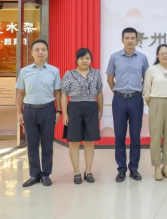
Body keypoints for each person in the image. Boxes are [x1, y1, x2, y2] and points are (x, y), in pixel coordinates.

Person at [15, 39, 62, 188]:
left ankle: (46, 174)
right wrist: (19, 112)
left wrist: (59, 110)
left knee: (47, 145)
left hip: (48, 110)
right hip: (29, 110)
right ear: (32, 53)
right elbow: (20, 93)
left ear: (47, 52)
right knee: (32, 144)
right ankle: (34, 174)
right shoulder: (24, 71)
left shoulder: (54, 71)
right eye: (37, 49)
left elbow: (58, 92)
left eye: (43, 49)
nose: (40, 52)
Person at [106, 27, 149, 182]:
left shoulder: (142, 58)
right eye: (127, 38)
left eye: (132, 38)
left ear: (137, 40)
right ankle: (121, 169)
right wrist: (117, 91)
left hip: (136, 99)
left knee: (135, 136)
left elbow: (146, 78)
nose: (130, 41)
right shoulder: (114, 57)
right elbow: (110, 79)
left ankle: (134, 168)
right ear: (122, 40)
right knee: (119, 136)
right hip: (119, 99)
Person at [61, 48, 103, 184]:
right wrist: (65, 114)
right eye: (81, 58)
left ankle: (88, 171)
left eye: (87, 58)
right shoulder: (69, 74)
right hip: (74, 108)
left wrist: (101, 109)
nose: (85, 61)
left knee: (89, 141)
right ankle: (76, 172)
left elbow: (99, 92)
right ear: (76, 60)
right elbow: (64, 94)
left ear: (91, 60)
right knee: (74, 141)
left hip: (91, 107)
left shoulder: (96, 73)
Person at [143, 44, 167, 180]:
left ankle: (166, 166)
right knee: (155, 136)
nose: (165, 55)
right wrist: (152, 103)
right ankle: (157, 168)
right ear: (157, 55)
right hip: (155, 102)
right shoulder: (151, 70)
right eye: (162, 53)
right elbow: (146, 89)